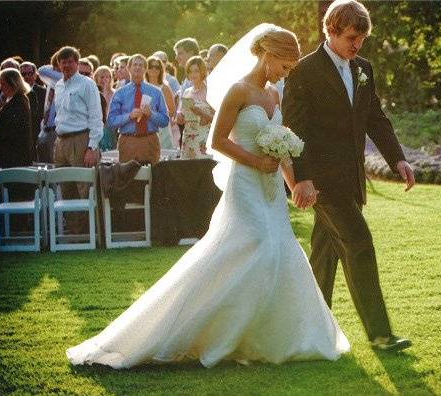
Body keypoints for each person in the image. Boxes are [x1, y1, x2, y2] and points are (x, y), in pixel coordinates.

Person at [67, 24, 349, 369]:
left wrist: (294, 185)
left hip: (271, 189)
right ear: (269, 55)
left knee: (279, 251)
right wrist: (257, 161)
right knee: (257, 245)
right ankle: (201, 329)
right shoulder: (238, 91)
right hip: (245, 183)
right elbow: (217, 141)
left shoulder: (274, 95)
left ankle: (265, 336)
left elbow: (282, 148)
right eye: (285, 66)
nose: (285, 74)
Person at [282, 0, 416, 352]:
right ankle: (381, 335)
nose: (357, 45)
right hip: (321, 182)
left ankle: (308, 330)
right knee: (359, 242)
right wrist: (302, 178)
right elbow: (294, 129)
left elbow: (376, 118)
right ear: (331, 31)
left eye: (362, 39)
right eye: (351, 37)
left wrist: (398, 160)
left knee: (324, 255)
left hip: (353, 180)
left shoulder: (365, 69)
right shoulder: (303, 70)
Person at [53, 46, 103, 233]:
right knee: (65, 187)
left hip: (81, 139)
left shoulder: (86, 84)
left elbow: (96, 117)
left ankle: (89, 233)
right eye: (63, 61)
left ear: (77, 62)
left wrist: (92, 147)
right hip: (61, 141)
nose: (66, 65)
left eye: (70, 61)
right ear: (58, 64)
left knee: (84, 187)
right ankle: (73, 233)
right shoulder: (58, 85)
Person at [107, 54, 169, 165]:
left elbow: (165, 120)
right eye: (134, 64)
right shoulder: (120, 93)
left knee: (152, 178)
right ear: (129, 68)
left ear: (145, 69)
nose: (137, 67)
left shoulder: (156, 92)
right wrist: (129, 116)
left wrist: (151, 114)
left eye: (141, 65)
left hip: (149, 141)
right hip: (128, 141)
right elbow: (111, 121)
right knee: (128, 179)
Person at [0, 68, 33, 169]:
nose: (1, 87)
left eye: (3, 84)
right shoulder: (13, 100)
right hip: (8, 156)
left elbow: (9, 127)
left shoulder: (19, 101)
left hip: (13, 157)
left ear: (13, 84)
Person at [176, 56, 214, 159]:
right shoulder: (187, 91)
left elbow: (218, 118)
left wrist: (201, 113)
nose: (193, 74)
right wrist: (179, 117)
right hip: (188, 137)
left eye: (196, 71)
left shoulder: (210, 91)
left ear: (202, 71)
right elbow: (181, 116)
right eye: (190, 71)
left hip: (203, 139)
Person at [145, 56, 176, 149]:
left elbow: (172, 111)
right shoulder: (142, 87)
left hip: (162, 128)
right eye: (151, 66)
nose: (154, 69)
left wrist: (156, 115)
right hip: (145, 127)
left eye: (157, 67)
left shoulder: (165, 88)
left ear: (161, 70)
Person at [20, 61, 46, 158]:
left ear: (35, 75)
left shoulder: (43, 92)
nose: (26, 77)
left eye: (30, 73)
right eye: (23, 74)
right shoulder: (16, 92)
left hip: (38, 132)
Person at [93, 65, 116, 151]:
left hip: (110, 128)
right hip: (96, 127)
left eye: (108, 77)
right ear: (96, 78)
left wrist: (106, 91)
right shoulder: (93, 92)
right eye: (102, 77)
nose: (105, 79)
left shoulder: (115, 93)